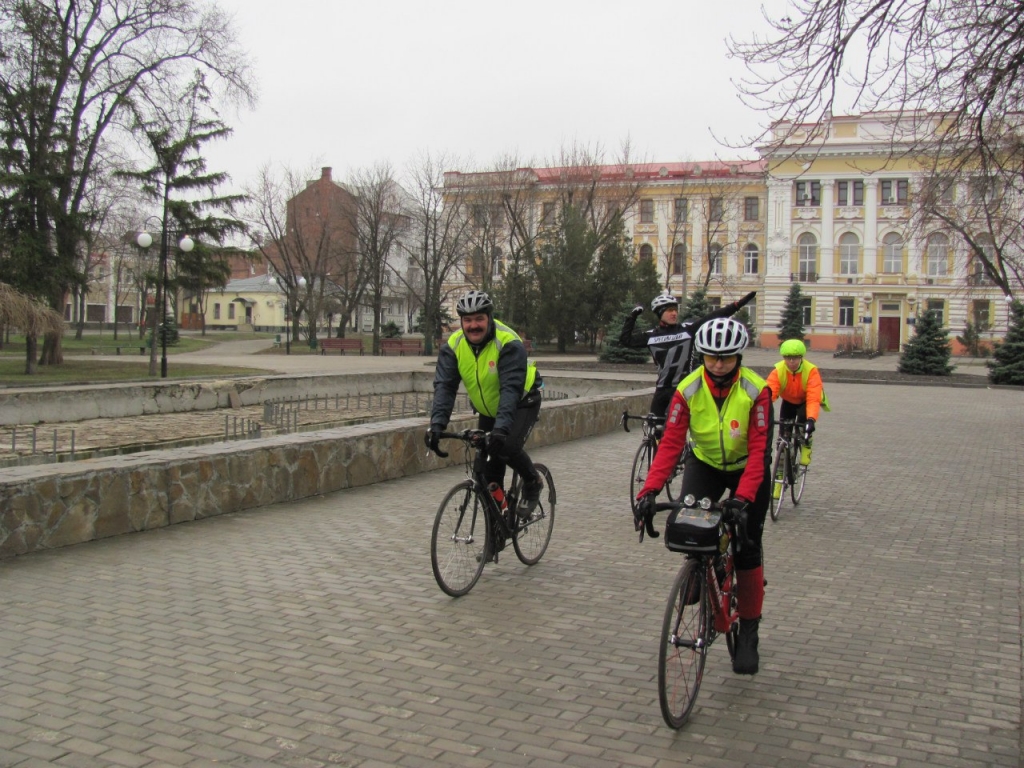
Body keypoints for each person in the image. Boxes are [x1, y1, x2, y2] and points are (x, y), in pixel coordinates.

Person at [636, 317, 772, 676]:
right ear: (702, 356)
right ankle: (700, 571)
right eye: (712, 357)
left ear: (738, 357)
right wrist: (648, 491)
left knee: (747, 547)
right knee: (691, 525)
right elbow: (670, 444)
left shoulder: (756, 390)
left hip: (747, 468)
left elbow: (760, 452)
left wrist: (742, 500)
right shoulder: (688, 389)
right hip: (705, 463)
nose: (718, 365)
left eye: (726, 358)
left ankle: (749, 630)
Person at [425, 289, 545, 520]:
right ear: (461, 322)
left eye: (479, 319)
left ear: (489, 318)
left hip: (523, 400)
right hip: (489, 408)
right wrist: (437, 424)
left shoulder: (508, 342)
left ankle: (533, 481)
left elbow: (510, 389)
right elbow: (445, 386)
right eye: (467, 320)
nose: (473, 325)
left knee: (506, 446)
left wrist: (501, 430)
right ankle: (498, 528)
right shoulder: (453, 345)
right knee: (489, 476)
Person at [619, 290, 758, 424]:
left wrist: (738, 304)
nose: (674, 313)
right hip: (661, 389)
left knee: (678, 425)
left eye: (675, 310)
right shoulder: (651, 336)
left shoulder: (687, 330)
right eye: (669, 310)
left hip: (684, 389)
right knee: (654, 428)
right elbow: (626, 340)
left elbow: (715, 316)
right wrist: (632, 317)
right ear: (659, 313)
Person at [765, 339, 830, 473]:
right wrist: (761, 411)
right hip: (788, 402)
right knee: (783, 436)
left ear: (801, 358)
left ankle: (806, 445)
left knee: (803, 425)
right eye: (788, 358)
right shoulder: (778, 371)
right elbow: (769, 393)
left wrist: (811, 419)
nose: (791, 362)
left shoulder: (811, 371)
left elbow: (813, 398)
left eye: (795, 358)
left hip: (805, 402)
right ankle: (779, 475)